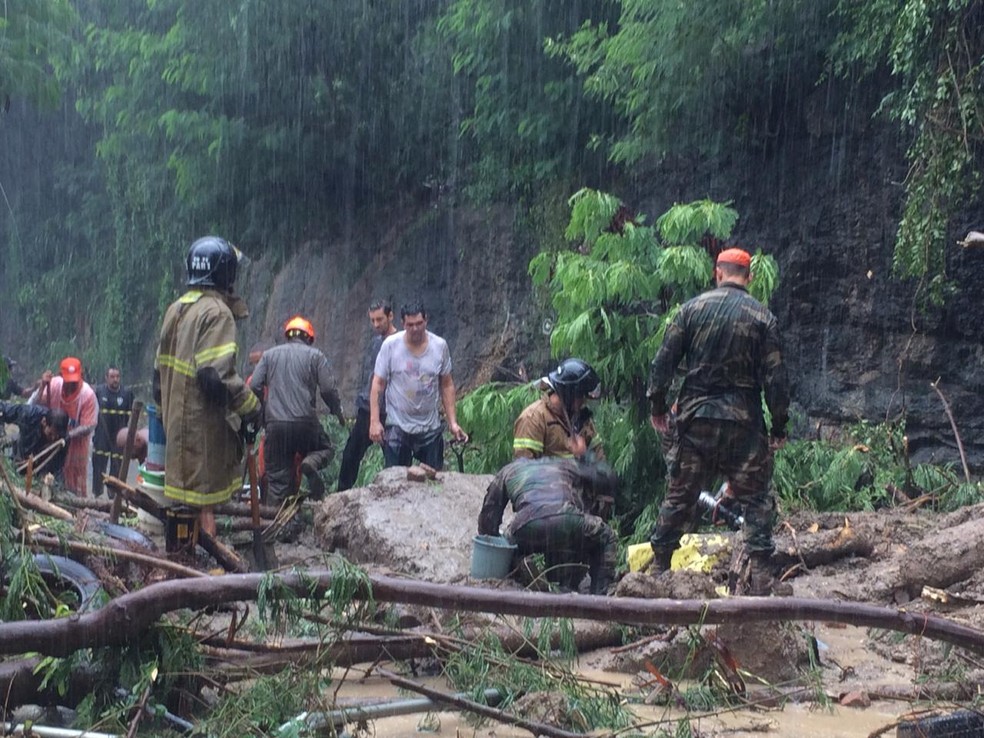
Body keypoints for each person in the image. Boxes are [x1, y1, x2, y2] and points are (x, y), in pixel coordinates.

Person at [646, 248, 789, 595]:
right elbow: (777, 378)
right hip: (744, 425)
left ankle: (658, 568)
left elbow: (662, 364)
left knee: (680, 495)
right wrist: (779, 427)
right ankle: (762, 575)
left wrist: (657, 407)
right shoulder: (763, 318)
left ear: (718, 273)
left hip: (696, 421)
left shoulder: (691, 310)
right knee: (756, 499)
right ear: (749, 277)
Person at [154, 235, 261, 538]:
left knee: (182, 500)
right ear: (225, 272)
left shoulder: (175, 309)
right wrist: (251, 409)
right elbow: (214, 376)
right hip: (202, 426)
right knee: (204, 505)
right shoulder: (216, 312)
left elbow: (156, 375)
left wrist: (165, 415)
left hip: (177, 424)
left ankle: (181, 563)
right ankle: (206, 572)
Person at [478, 457, 618, 595]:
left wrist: (493, 546)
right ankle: (598, 598)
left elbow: (489, 517)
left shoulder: (508, 471)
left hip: (525, 524)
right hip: (565, 520)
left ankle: (515, 575)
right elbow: (592, 494)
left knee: (509, 542)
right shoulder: (568, 465)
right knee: (606, 536)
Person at [248, 315, 344, 511]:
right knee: (325, 448)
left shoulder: (269, 356)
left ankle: (274, 527)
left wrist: (261, 415)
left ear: (287, 336)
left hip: (275, 426)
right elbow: (327, 389)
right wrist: (337, 411)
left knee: (278, 482)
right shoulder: (316, 356)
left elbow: (255, 386)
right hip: (305, 425)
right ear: (309, 338)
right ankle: (310, 462)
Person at [369, 301, 467, 469]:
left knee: (434, 478)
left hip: (429, 424)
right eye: (410, 325)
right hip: (398, 423)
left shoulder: (439, 346)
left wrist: (453, 423)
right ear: (402, 324)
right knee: (394, 479)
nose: (415, 329)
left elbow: (446, 384)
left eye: (419, 323)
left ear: (426, 320)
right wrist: (374, 421)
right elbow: (378, 384)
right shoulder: (391, 346)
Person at [337, 299, 398, 490]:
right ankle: (340, 496)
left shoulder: (400, 342)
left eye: (379, 319)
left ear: (390, 316)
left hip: (391, 411)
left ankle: (396, 495)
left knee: (393, 459)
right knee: (350, 454)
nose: (376, 324)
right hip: (368, 408)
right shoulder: (374, 343)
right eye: (372, 320)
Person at [30, 357, 99, 496]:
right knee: (48, 480)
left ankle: (77, 511)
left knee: (75, 486)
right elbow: (34, 407)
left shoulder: (87, 395)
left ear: (81, 375)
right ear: (61, 376)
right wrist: (42, 386)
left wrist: (67, 436)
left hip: (76, 448)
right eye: (68, 381)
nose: (71, 385)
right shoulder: (54, 385)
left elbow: (89, 425)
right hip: (51, 444)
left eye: (74, 381)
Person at [513, 358, 605, 462]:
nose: (584, 402)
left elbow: (600, 463)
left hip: (577, 478)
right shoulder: (533, 419)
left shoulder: (582, 420)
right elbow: (524, 472)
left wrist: (585, 457)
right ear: (569, 393)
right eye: (581, 397)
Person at [91, 366, 135, 497]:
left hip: (119, 437)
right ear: (106, 378)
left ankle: (114, 498)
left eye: (117, 377)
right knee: (98, 466)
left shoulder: (127, 394)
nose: (115, 380)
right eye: (112, 377)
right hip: (101, 436)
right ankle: (97, 495)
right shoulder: (98, 392)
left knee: (117, 469)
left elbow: (131, 415)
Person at [0, 401, 69, 469]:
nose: (53, 438)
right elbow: (3, 409)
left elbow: (56, 467)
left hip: (32, 465)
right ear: (44, 422)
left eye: (56, 436)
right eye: (50, 434)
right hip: (14, 448)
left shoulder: (63, 440)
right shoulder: (29, 414)